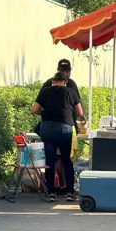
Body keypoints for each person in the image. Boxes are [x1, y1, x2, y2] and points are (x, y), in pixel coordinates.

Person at [31, 71, 86, 202]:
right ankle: (70, 193)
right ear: (65, 82)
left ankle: (51, 193)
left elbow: (34, 109)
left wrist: (44, 112)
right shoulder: (71, 92)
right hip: (64, 129)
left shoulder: (45, 91)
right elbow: (80, 112)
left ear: (53, 81)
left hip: (47, 128)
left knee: (50, 161)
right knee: (66, 160)